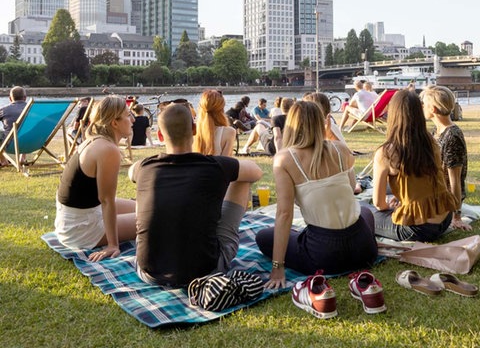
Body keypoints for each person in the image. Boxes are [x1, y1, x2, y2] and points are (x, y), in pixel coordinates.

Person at [131, 103, 263, 287]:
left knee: (145, 190)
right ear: (194, 130)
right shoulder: (216, 166)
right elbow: (256, 171)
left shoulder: (144, 167)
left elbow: (131, 173)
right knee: (243, 179)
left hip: (149, 272)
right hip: (205, 270)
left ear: (160, 135)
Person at [256, 101, 378, 288]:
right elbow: (352, 187)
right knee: (365, 211)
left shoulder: (284, 159)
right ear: (320, 123)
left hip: (323, 254)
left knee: (264, 236)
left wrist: (277, 267)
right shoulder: (341, 149)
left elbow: (284, 214)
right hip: (364, 249)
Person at [365, 90, 457, 242]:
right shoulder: (432, 142)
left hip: (417, 229)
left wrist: (392, 206)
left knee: (364, 211)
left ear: (393, 114)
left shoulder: (386, 152)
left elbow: (379, 204)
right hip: (445, 218)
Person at [54, 95, 136, 261]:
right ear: (114, 123)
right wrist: (113, 245)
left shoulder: (93, 140)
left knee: (143, 206)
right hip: (81, 228)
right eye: (128, 115)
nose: (133, 119)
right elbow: (106, 200)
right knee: (152, 217)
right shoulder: (108, 150)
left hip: (73, 219)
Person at [421, 85, 471, 231]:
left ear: (433, 109)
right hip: (434, 191)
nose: (422, 106)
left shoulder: (452, 136)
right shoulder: (436, 131)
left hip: (445, 200)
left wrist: (456, 216)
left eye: (424, 104)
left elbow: (455, 181)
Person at [193, 89, 236, 156]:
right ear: (222, 109)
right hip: (218, 166)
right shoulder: (229, 132)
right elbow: (226, 162)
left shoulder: (192, 130)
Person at [0, 86, 27, 166]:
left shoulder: (4, 110)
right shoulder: (33, 109)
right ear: (25, 98)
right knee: (26, 130)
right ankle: (22, 158)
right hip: (31, 142)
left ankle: (3, 160)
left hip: (10, 144)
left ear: (10, 98)